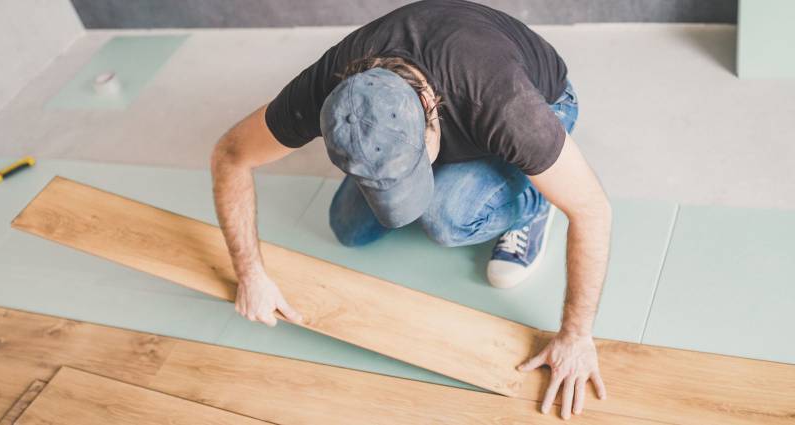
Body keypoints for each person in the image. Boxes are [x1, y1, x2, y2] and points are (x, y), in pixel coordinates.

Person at [211, 0, 611, 419]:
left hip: (546, 100)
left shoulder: (502, 101)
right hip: (449, 109)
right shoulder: (327, 88)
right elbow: (229, 155)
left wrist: (576, 335)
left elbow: (592, 210)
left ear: (427, 103)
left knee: (446, 219)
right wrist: (250, 274)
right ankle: (397, 165)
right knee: (347, 227)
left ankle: (534, 203)